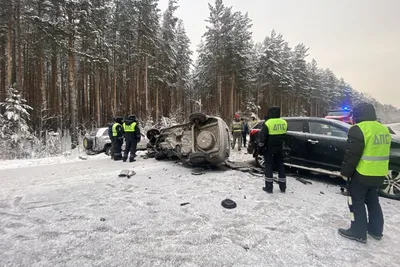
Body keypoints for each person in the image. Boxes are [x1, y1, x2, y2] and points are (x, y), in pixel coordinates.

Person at [338, 102, 391, 243]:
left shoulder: (358, 129)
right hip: (379, 173)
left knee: (357, 201)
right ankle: (376, 230)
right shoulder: (384, 129)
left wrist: (345, 173)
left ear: (358, 115)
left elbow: (352, 155)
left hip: (362, 173)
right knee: (373, 201)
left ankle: (358, 232)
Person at [258, 107, 287, 193]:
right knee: (281, 166)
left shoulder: (268, 123)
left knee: (269, 167)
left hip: (269, 149)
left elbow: (262, 137)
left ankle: (269, 187)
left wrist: (260, 148)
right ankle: (283, 187)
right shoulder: (284, 122)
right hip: (280, 148)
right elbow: (285, 134)